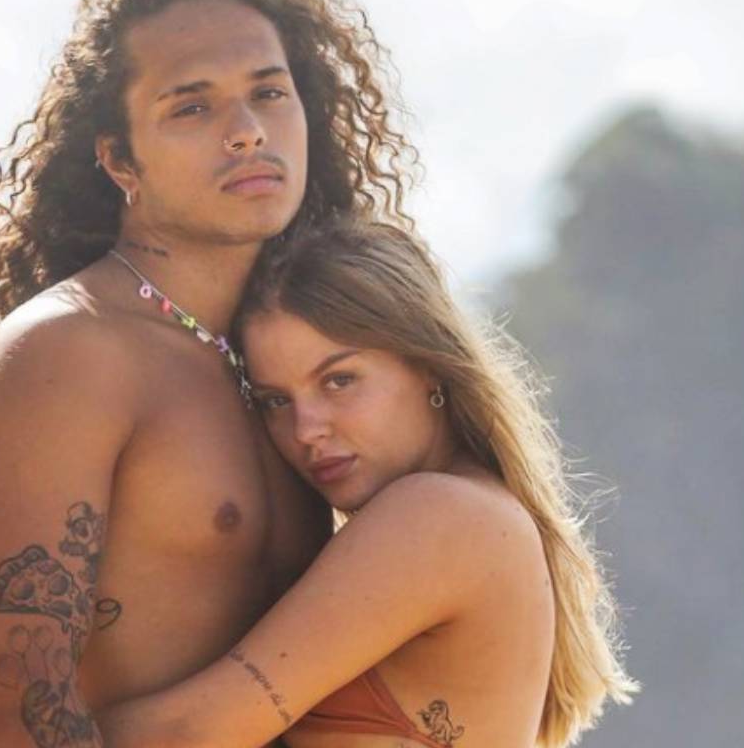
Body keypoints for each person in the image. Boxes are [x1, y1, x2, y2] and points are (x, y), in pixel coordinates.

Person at [0, 0, 419, 745]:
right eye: (192, 107)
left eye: (269, 92)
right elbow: (20, 706)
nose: (247, 132)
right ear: (119, 158)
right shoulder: (66, 355)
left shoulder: (300, 357)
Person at [97, 221, 639, 747]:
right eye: (276, 401)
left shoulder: (442, 514)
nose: (306, 430)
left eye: (339, 380)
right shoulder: (476, 515)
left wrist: (39, 710)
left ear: (428, 365)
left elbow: (190, 734)